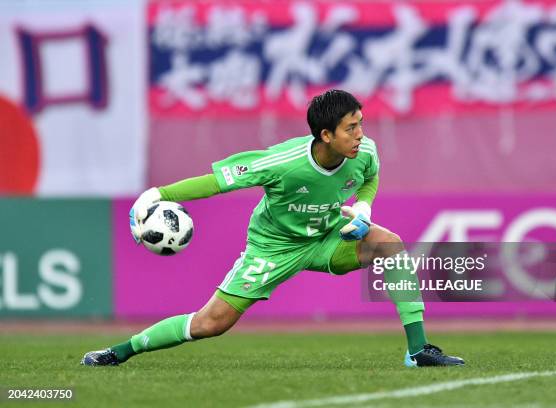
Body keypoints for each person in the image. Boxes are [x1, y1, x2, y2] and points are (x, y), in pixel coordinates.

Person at [81, 90, 464, 368]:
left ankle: (418, 350)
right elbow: (217, 182)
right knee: (210, 323)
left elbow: (370, 178)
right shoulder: (282, 163)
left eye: (361, 123)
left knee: (390, 243)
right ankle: (121, 351)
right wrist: (157, 193)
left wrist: (363, 207)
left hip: (328, 237)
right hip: (272, 248)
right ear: (325, 135)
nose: (360, 134)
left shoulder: (364, 152)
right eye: (351, 128)